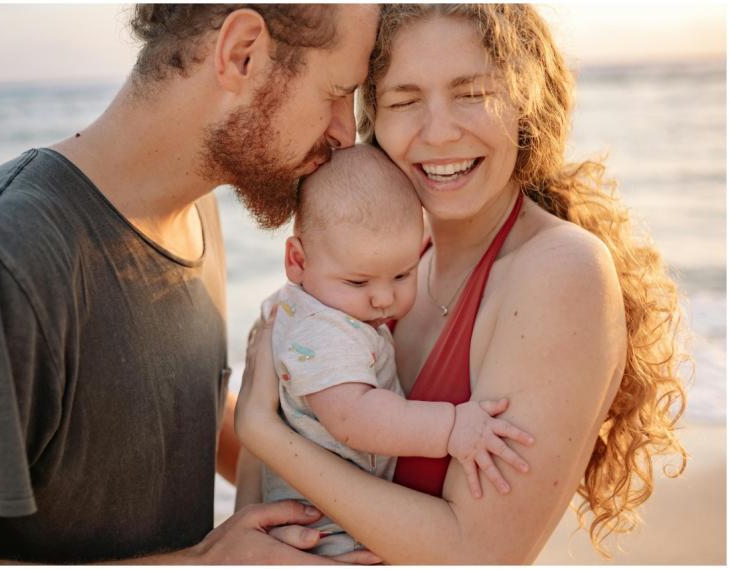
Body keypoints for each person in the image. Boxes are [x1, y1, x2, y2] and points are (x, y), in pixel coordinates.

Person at [0, 4, 383, 564]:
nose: (345, 129)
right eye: (338, 91)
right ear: (242, 53)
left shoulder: (195, 214)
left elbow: (169, 406)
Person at [235, 4, 688, 564]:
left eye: (471, 94)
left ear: (527, 103)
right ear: (373, 117)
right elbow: (256, 516)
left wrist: (258, 430)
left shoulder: (561, 271)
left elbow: (478, 553)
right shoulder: (386, 270)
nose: (440, 131)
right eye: (404, 100)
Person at [235, 145, 535, 556]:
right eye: (358, 282)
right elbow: (353, 418)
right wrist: (450, 428)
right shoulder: (322, 331)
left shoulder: (308, 302)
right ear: (297, 260)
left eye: (401, 274)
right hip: (326, 535)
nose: (382, 299)